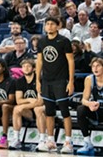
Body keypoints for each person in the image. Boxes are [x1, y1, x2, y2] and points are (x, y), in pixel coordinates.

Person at [36, 16, 75, 153]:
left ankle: (68, 142)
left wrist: (71, 81)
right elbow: (39, 61)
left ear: (58, 26)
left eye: (52, 24)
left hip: (61, 80)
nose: (50, 26)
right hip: (46, 80)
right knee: (49, 112)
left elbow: (71, 61)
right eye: (47, 24)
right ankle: (51, 140)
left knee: (65, 111)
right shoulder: (41, 42)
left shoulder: (64, 41)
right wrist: (37, 81)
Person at [9, 59, 46, 149]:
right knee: (16, 109)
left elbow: (40, 102)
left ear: (33, 69)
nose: (26, 68)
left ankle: (42, 140)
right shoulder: (20, 81)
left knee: (38, 109)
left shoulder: (39, 80)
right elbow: (18, 100)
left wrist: (25, 104)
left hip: (43, 108)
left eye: (28, 66)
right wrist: (29, 99)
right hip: (29, 110)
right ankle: (16, 139)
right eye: (24, 66)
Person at [76, 57, 103, 155]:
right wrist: (90, 104)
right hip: (96, 109)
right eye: (93, 66)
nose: (95, 68)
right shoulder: (89, 79)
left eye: (98, 66)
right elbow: (83, 100)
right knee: (80, 109)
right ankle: (87, 142)